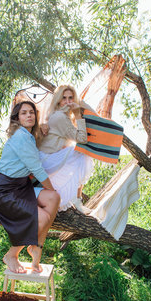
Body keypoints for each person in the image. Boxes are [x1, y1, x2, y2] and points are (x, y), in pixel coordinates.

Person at [0, 101, 60, 274]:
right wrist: (51, 188)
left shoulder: (28, 136)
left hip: (21, 187)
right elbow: (37, 170)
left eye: (31, 113)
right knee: (43, 216)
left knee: (54, 198)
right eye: (24, 113)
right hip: (4, 192)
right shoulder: (21, 137)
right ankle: (12, 255)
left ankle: (37, 246)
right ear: (17, 118)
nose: (29, 115)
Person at [38, 84, 95, 214]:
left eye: (71, 98)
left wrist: (79, 103)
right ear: (58, 100)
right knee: (83, 153)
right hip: (46, 159)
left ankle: (75, 199)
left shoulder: (59, 115)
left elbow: (95, 114)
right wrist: (77, 113)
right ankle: (77, 200)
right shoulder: (60, 117)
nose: (68, 102)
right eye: (64, 98)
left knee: (77, 151)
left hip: (49, 157)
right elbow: (82, 138)